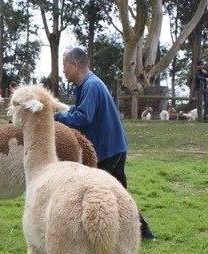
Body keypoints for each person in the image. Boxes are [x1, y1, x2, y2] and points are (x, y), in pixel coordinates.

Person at [53, 47, 155, 240]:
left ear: (75, 65)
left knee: (98, 191)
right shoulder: (89, 84)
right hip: (114, 146)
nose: (63, 70)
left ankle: (94, 232)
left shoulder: (91, 85)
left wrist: (55, 117)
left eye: (65, 66)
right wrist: (62, 109)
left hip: (107, 150)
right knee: (120, 193)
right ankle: (144, 233)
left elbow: (83, 116)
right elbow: (80, 110)